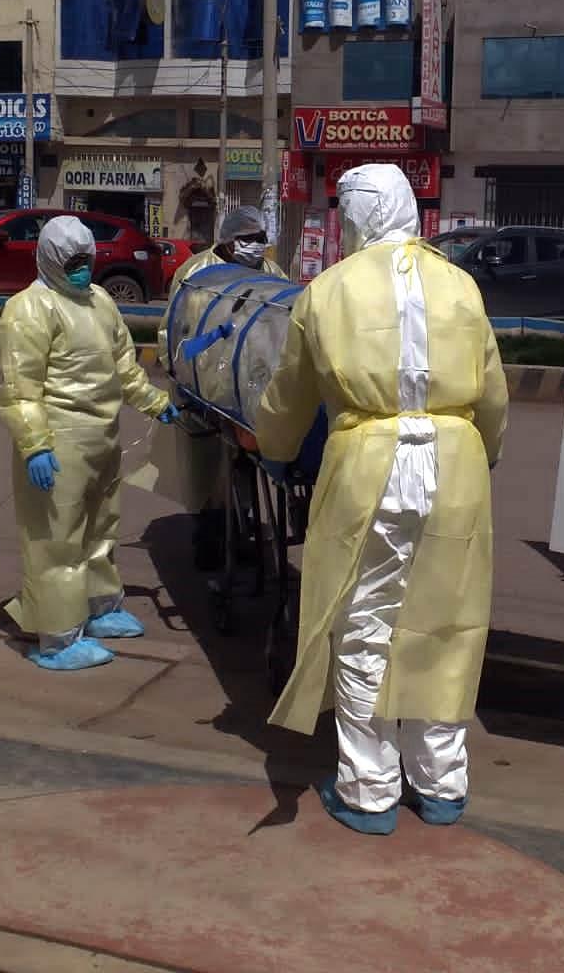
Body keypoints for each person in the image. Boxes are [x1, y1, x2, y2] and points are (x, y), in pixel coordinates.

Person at [255, 163, 509, 836]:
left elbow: (287, 399)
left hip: (368, 466)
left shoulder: (326, 291)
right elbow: (492, 396)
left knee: (363, 625)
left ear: (356, 216)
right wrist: (485, 452)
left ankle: (369, 791)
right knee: (446, 625)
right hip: (456, 467)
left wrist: (272, 447)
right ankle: (442, 785)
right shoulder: (461, 283)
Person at [0, 215, 178, 671]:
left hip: (102, 439)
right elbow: (21, 388)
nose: (81, 268)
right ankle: (57, 636)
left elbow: (123, 367)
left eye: (86, 259)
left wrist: (155, 402)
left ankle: (99, 607)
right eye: (71, 261)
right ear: (51, 258)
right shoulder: (30, 308)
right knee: (58, 542)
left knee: (100, 531)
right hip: (59, 444)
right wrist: (35, 445)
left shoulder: (99, 302)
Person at [158, 204, 286, 571]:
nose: (257, 246)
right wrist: (186, 380)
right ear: (228, 242)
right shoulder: (198, 274)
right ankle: (210, 538)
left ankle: (241, 532)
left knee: (244, 469)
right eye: (249, 239)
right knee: (208, 471)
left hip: (247, 388)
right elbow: (176, 330)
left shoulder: (272, 272)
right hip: (205, 386)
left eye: (262, 238)